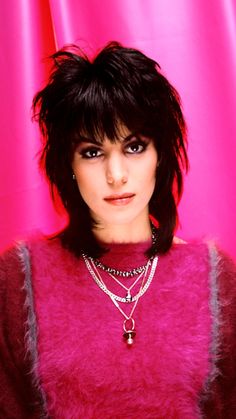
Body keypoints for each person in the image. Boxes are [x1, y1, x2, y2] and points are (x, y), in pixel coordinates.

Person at [0, 41, 235, 419]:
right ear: (69, 164)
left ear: (161, 154)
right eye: (93, 151)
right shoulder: (17, 278)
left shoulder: (217, 277)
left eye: (135, 146)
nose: (117, 175)